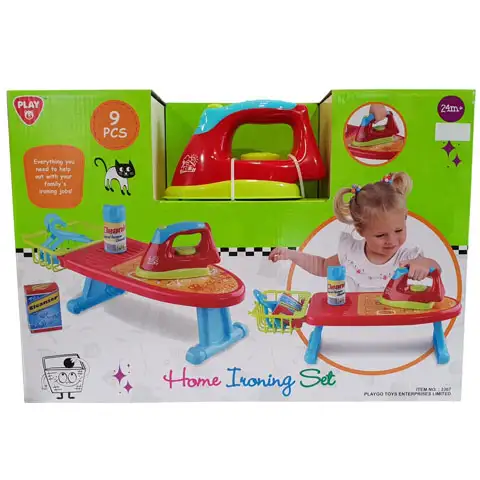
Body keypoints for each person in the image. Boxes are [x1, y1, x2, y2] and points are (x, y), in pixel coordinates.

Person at [269, 172, 440, 292]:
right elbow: (321, 266)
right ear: (360, 230)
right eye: (381, 235)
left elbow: (435, 267)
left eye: (398, 230)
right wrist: (290, 254)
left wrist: (424, 265)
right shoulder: (351, 253)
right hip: (358, 325)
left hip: (397, 324)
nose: (392, 240)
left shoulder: (407, 257)